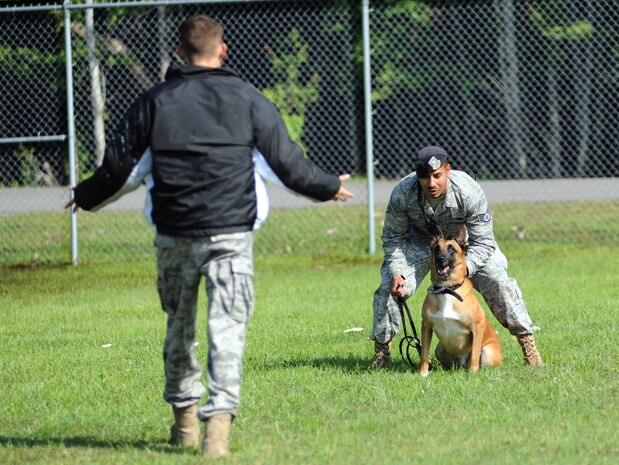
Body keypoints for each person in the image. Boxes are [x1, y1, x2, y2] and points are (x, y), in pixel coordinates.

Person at [66, 15, 353, 457]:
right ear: (222, 51)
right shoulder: (249, 100)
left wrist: (83, 196)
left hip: (174, 234)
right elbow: (288, 165)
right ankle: (217, 429)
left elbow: (120, 169)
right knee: (228, 329)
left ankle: (184, 421)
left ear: (180, 53)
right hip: (231, 234)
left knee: (179, 327)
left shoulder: (153, 101)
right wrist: (329, 186)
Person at [370, 145, 543, 369]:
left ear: (448, 170)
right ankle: (382, 355)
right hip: (423, 244)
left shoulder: (468, 191)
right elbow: (393, 238)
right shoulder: (404, 192)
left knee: (498, 281)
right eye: (425, 177)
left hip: (468, 247)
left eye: (437, 176)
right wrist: (397, 272)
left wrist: (465, 268)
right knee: (389, 287)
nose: (431, 184)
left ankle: (528, 346)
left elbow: (484, 242)